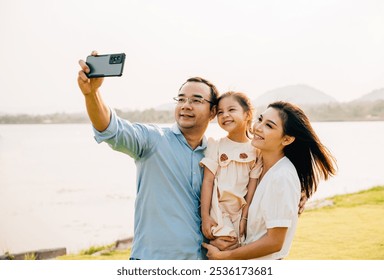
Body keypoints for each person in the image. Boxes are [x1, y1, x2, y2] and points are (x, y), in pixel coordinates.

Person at [77, 52, 219, 259]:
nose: (186, 105)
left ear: (213, 112)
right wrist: (92, 94)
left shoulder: (215, 155)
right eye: (181, 99)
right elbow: (110, 129)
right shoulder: (152, 139)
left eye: (196, 100)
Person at [203, 101, 337, 259]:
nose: (258, 127)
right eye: (260, 119)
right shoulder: (258, 168)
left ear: (286, 139)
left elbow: (274, 242)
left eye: (269, 126)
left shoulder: (282, 176)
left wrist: (226, 256)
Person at [200, 91, 262, 245]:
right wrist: (205, 217)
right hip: (219, 211)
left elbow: (252, 187)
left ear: (247, 114)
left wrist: (245, 217)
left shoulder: (256, 149)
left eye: (231, 110)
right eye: (220, 112)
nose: (225, 115)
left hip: (241, 212)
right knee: (225, 246)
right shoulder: (216, 145)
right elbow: (207, 181)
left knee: (239, 250)